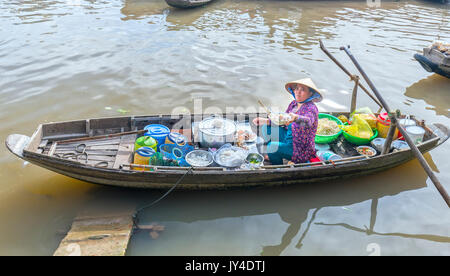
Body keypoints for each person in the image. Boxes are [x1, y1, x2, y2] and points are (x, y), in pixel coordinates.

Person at [252, 78, 322, 165]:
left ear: (311, 93)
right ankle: (274, 155)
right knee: (266, 128)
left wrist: (296, 117)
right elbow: (282, 121)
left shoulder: (311, 108)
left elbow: (308, 121)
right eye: (297, 89)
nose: (298, 92)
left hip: (301, 149)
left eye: (303, 90)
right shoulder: (294, 104)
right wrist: (265, 121)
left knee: (272, 146)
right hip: (289, 137)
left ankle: (278, 166)